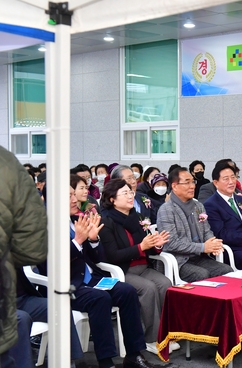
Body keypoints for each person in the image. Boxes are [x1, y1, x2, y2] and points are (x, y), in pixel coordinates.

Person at [68, 186, 154, 368]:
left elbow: (98, 258)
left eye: (73, 195)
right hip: (68, 285)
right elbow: (48, 263)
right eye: (69, 196)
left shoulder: (77, 220)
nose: (75, 200)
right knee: (100, 298)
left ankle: (133, 354)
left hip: (91, 279)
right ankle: (106, 361)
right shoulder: (45, 227)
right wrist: (77, 242)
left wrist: (92, 240)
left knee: (127, 291)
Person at [99, 179, 172, 354]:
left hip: (142, 267)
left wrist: (157, 244)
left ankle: (167, 334)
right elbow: (112, 255)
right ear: (112, 199)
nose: (131, 196)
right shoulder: (107, 222)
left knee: (165, 284)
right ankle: (151, 338)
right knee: (149, 288)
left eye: (131, 192)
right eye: (125, 193)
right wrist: (141, 247)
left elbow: (147, 245)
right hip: (122, 271)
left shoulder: (136, 217)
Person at [0, 146, 48, 368]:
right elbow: (30, 251)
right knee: (19, 320)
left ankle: (68, 361)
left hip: (20, 295)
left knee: (58, 305)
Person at [157, 167, 233, 282]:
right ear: (174, 186)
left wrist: (213, 243)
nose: (192, 186)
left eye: (193, 182)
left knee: (226, 270)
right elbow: (171, 243)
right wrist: (203, 247)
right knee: (202, 275)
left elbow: (206, 230)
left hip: (199, 257)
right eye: (187, 182)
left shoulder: (198, 206)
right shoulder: (166, 210)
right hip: (178, 260)